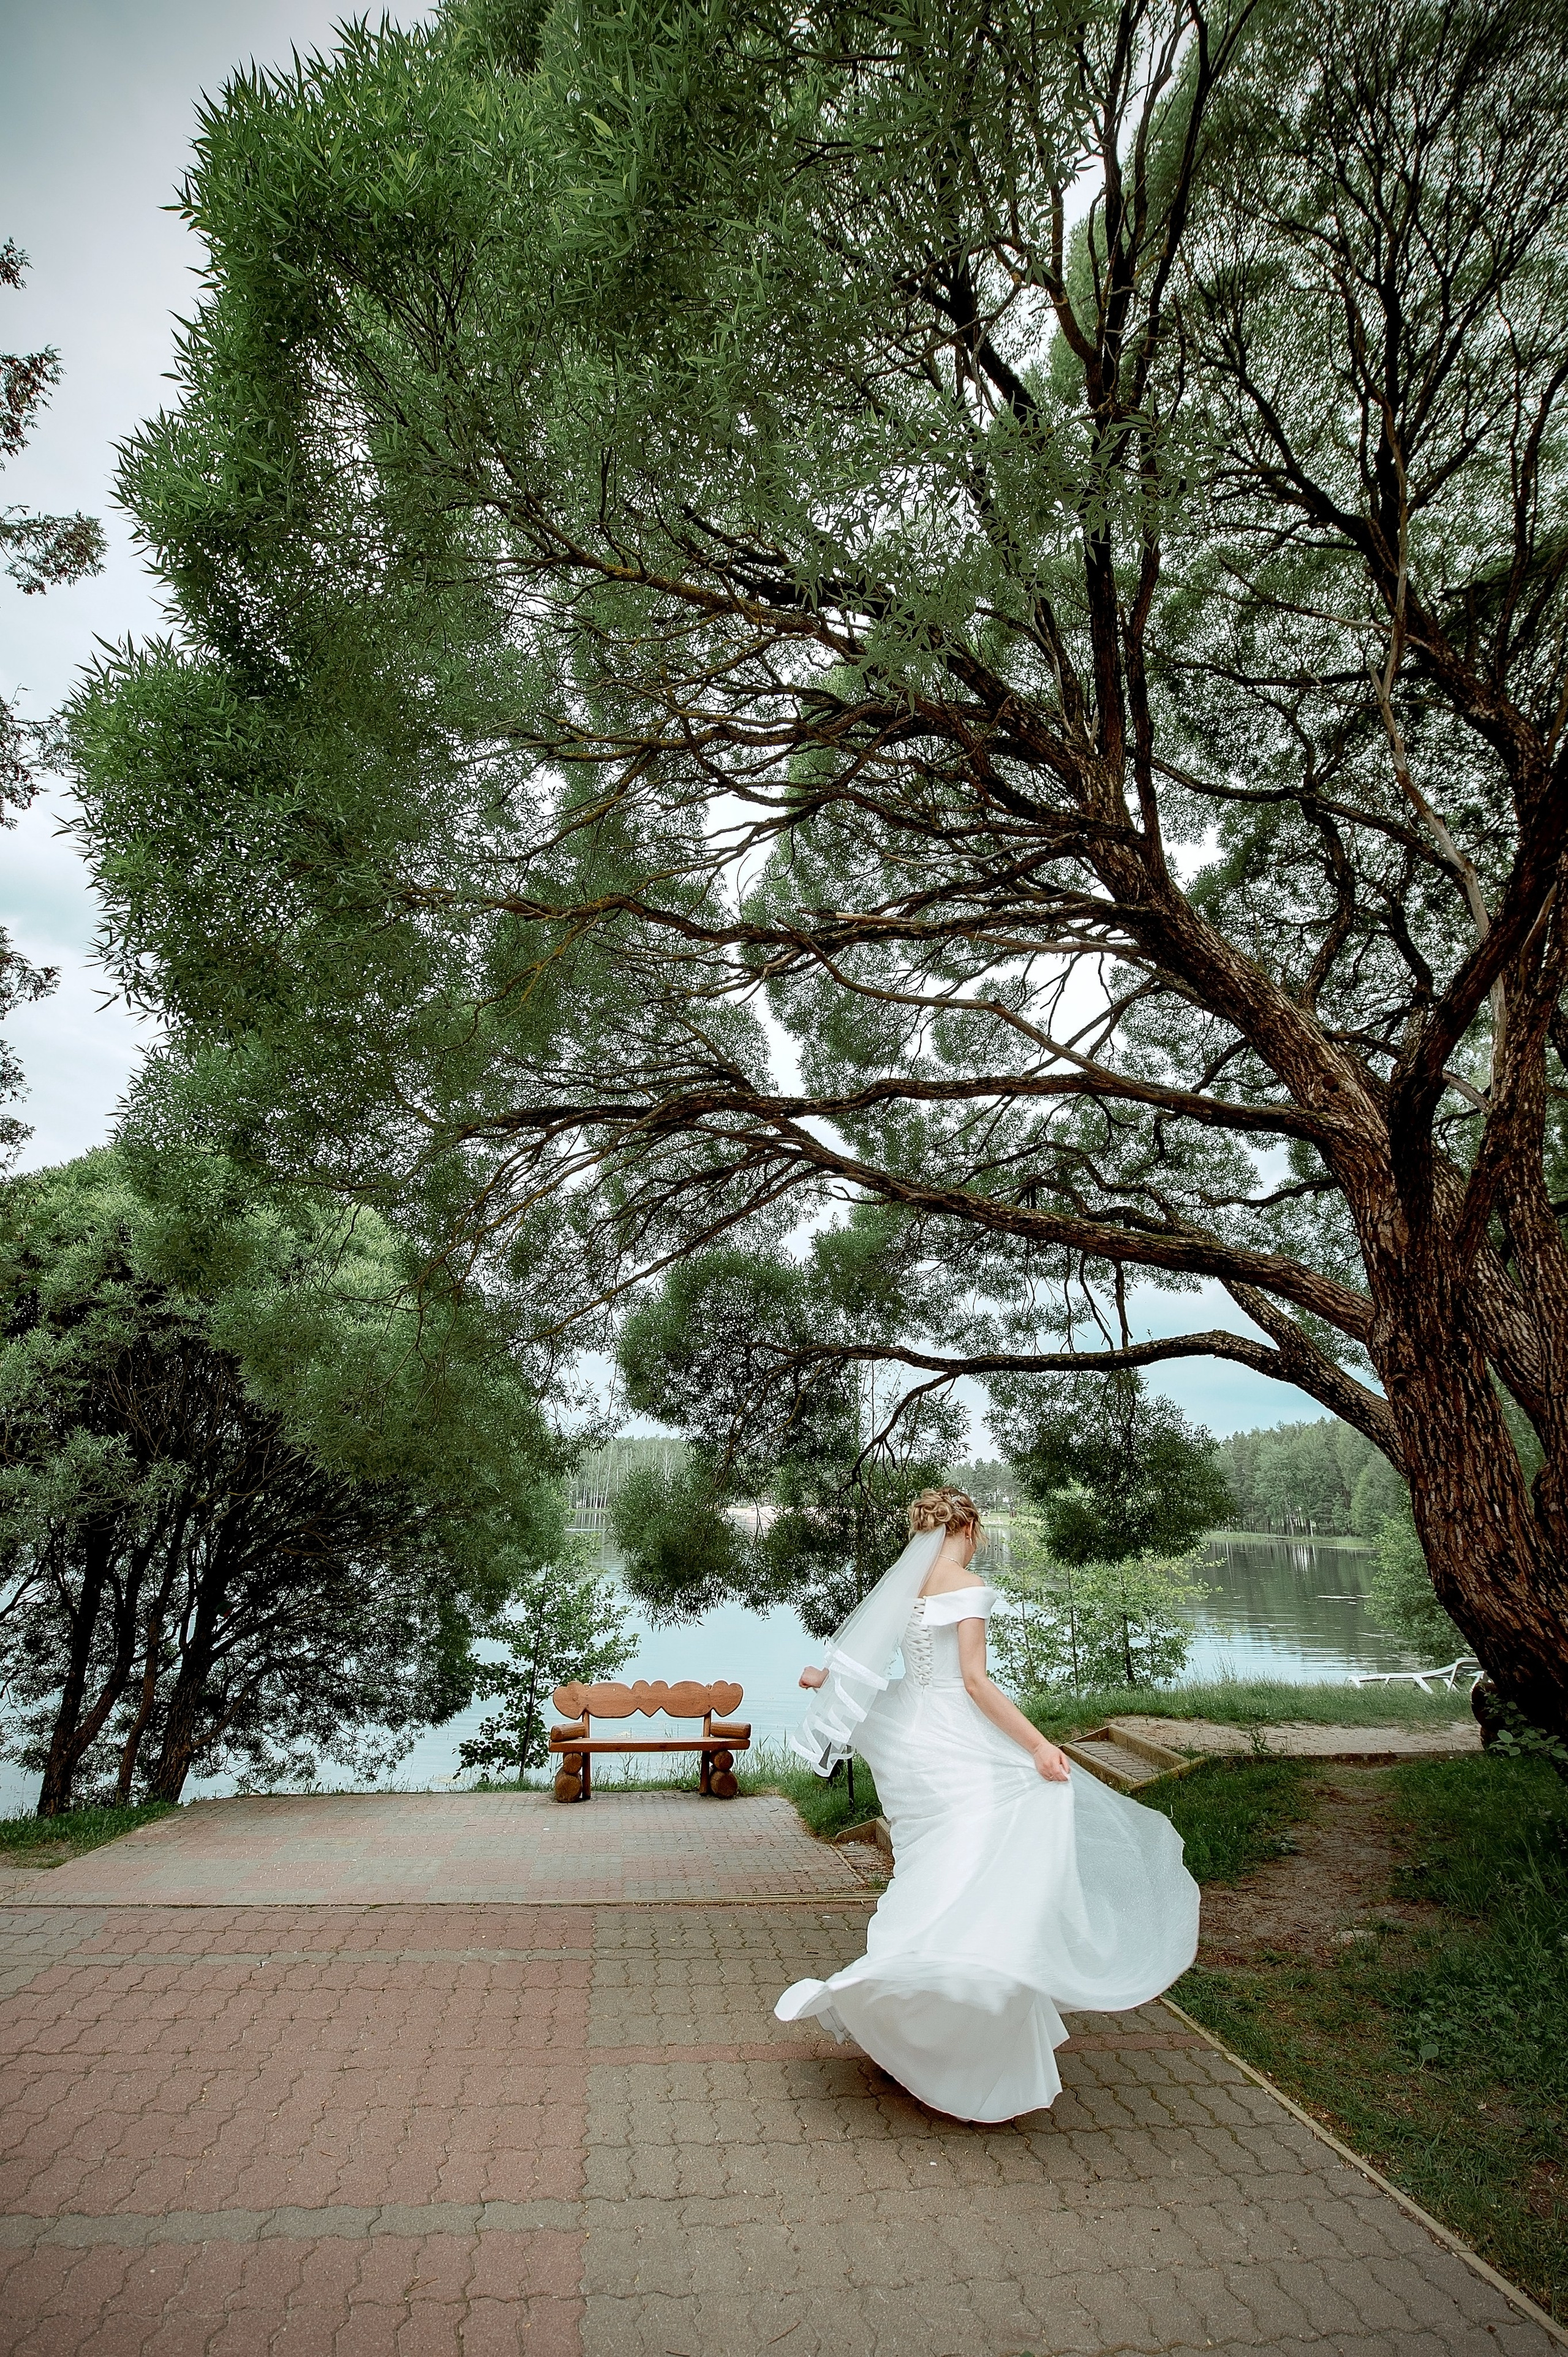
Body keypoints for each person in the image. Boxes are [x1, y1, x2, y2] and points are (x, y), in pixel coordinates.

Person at [775, 1486, 1200, 2121]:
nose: (981, 1541)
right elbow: (973, 1683)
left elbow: (891, 1672)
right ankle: (959, 2007)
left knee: (942, 1866)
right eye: (980, 1531)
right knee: (1009, 1827)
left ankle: (928, 1996)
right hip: (955, 1742)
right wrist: (1038, 1745)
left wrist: (827, 1678)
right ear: (966, 1526)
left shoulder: (907, 1586)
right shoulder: (964, 1586)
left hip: (915, 1742)